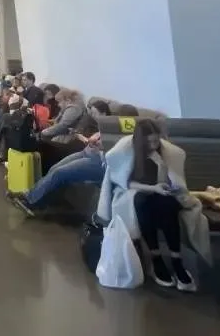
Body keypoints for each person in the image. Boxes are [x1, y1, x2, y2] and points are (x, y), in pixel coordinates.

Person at [97, 113, 208, 291]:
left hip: (158, 193)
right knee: (142, 202)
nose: (154, 145)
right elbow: (124, 182)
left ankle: (176, 260)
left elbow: (165, 183)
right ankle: (156, 258)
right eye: (149, 142)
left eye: (156, 141)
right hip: (132, 193)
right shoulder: (126, 149)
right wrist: (152, 188)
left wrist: (161, 165)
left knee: (168, 203)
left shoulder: (166, 152)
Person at [10, 101, 104, 217]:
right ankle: (37, 199)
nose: (92, 116)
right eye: (91, 113)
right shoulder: (100, 127)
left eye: (95, 113)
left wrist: (96, 143)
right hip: (86, 152)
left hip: (98, 161)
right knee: (54, 168)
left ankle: (30, 201)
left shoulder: (113, 130)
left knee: (60, 172)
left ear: (104, 114)